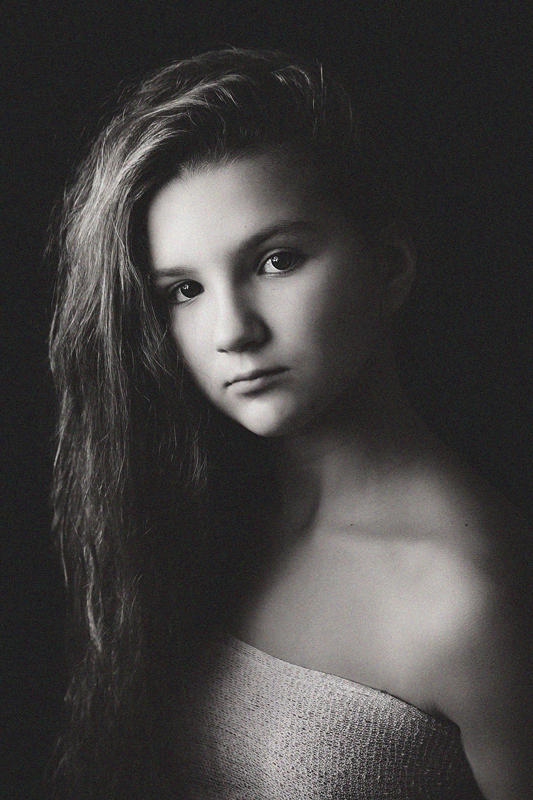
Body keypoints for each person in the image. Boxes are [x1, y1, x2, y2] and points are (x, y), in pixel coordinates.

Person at [49, 48, 532, 799]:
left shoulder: (475, 595)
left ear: (389, 266)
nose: (232, 331)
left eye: (276, 261)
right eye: (184, 290)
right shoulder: (197, 523)